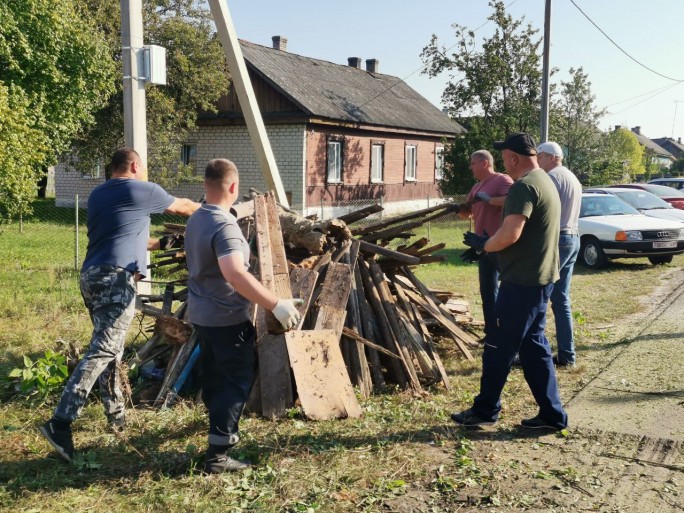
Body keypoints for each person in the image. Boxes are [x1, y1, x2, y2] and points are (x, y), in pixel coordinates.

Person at [39, 147, 201, 463]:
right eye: (143, 167)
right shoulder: (139, 188)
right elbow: (183, 207)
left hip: (92, 276)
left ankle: (117, 419)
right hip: (116, 278)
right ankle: (60, 422)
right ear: (135, 166)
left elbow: (125, 235)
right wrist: (218, 209)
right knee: (103, 349)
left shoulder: (100, 195)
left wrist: (160, 244)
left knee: (110, 350)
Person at [184, 158, 302, 474]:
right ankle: (218, 456)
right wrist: (275, 304)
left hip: (202, 314)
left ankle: (215, 429)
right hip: (225, 318)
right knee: (233, 383)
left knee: (214, 375)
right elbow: (235, 274)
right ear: (234, 187)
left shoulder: (197, 219)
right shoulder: (224, 226)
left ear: (206, 185)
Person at [451, 132, 568, 430]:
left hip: (521, 282)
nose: (505, 164)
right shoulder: (545, 181)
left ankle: (485, 410)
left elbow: (510, 234)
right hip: (541, 278)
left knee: (497, 347)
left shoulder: (524, 186)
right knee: (534, 346)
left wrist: (484, 245)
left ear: (514, 158)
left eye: (505, 159)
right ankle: (552, 416)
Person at [458, 150, 513, 342]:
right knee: (487, 291)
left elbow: (513, 200)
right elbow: (467, 214)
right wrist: (459, 208)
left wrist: (489, 200)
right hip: (482, 246)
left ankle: (509, 331)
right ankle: (492, 334)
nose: (470, 167)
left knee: (509, 289)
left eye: (473, 163)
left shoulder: (502, 180)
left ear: (484, 163)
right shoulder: (476, 186)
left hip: (499, 243)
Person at [536, 141, 582, 367]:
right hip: (573, 236)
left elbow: (543, 209)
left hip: (558, 238)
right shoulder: (571, 176)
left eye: (540, 156)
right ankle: (567, 355)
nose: (537, 160)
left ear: (550, 156)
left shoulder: (552, 177)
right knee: (561, 299)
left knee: (540, 294)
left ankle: (537, 353)